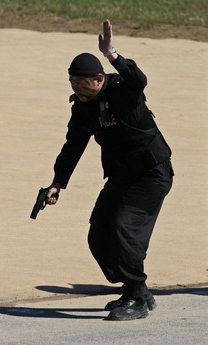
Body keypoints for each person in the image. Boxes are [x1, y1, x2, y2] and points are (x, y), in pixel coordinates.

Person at [43, 19, 173, 321]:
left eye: (81, 82)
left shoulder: (121, 92)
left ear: (99, 78)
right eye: (72, 82)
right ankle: (133, 288)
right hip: (121, 175)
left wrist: (112, 53)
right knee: (99, 234)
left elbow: (138, 80)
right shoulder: (83, 107)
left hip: (151, 174)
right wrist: (57, 183)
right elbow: (73, 145)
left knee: (124, 228)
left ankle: (138, 296)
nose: (76, 87)